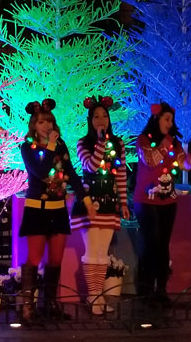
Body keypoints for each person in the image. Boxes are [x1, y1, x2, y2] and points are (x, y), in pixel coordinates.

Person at [19, 98, 96, 321]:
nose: (46, 126)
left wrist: (87, 200)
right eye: (41, 122)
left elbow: (71, 173)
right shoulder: (28, 147)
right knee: (34, 258)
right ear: (34, 125)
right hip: (37, 209)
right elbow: (41, 172)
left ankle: (50, 303)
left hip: (58, 209)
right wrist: (50, 146)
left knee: (55, 259)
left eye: (49, 121)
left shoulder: (60, 145)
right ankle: (28, 307)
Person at [71, 95, 130, 315]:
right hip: (90, 202)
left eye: (104, 115)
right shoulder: (83, 143)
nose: (100, 119)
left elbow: (121, 174)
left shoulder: (119, 143)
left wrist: (123, 202)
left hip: (109, 202)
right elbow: (92, 166)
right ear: (90, 120)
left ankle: (98, 296)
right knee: (91, 251)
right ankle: (93, 295)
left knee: (102, 254)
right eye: (96, 116)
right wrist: (101, 142)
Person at [133, 102, 191, 304]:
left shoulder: (174, 143)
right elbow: (150, 160)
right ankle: (145, 289)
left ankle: (160, 289)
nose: (170, 123)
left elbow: (184, 165)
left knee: (163, 245)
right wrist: (166, 143)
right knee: (151, 243)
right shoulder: (143, 140)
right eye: (166, 119)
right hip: (146, 200)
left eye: (171, 120)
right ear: (156, 119)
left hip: (168, 201)